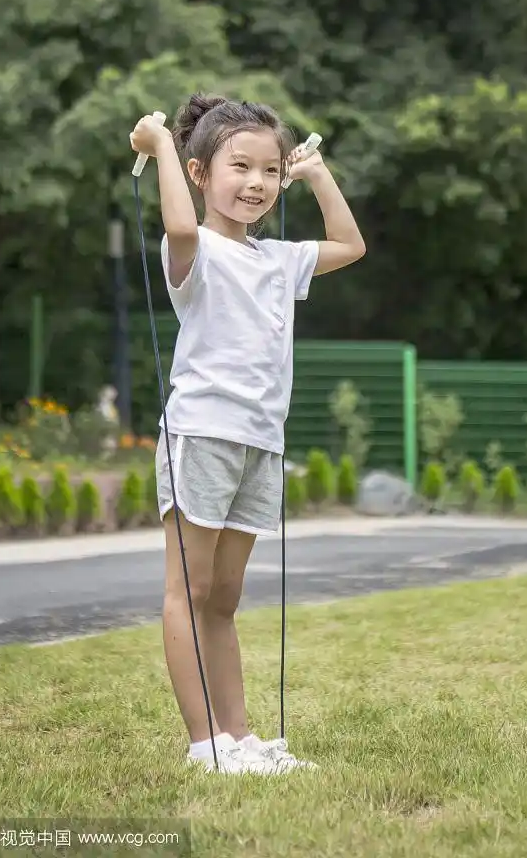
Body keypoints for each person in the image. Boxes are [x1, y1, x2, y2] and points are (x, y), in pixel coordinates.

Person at [129, 93, 366, 776]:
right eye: (240, 166)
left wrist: (317, 175)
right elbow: (176, 223)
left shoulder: (278, 259)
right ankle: (206, 748)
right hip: (202, 436)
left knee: (225, 600)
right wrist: (160, 145)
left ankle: (239, 737)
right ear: (203, 173)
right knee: (189, 591)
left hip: (260, 445)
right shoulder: (195, 250)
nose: (257, 182)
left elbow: (351, 245)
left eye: (269, 169)